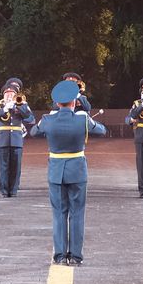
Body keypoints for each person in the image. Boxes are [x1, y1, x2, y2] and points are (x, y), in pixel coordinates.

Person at [31, 78, 107, 265]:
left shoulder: (48, 119)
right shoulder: (82, 119)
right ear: (75, 101)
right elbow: (102, 131)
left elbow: (33, 132)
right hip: (77, 170)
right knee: (77, 213)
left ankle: (59, 255)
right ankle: (75, 256)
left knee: (59, 214)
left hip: (56, 171)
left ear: (57, 102)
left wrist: (48, 119)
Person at [0, 78, 34, 197]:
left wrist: (17, 106)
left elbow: (28, 117)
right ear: (3, 94)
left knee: (16, 167)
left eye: (12, 94)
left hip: (16, 139)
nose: (9, 95)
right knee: (3, 167)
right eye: (7, 93)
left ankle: (13, 190)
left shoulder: (21, 105)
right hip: (2, 140)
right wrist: (5, 108)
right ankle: (4, 191)